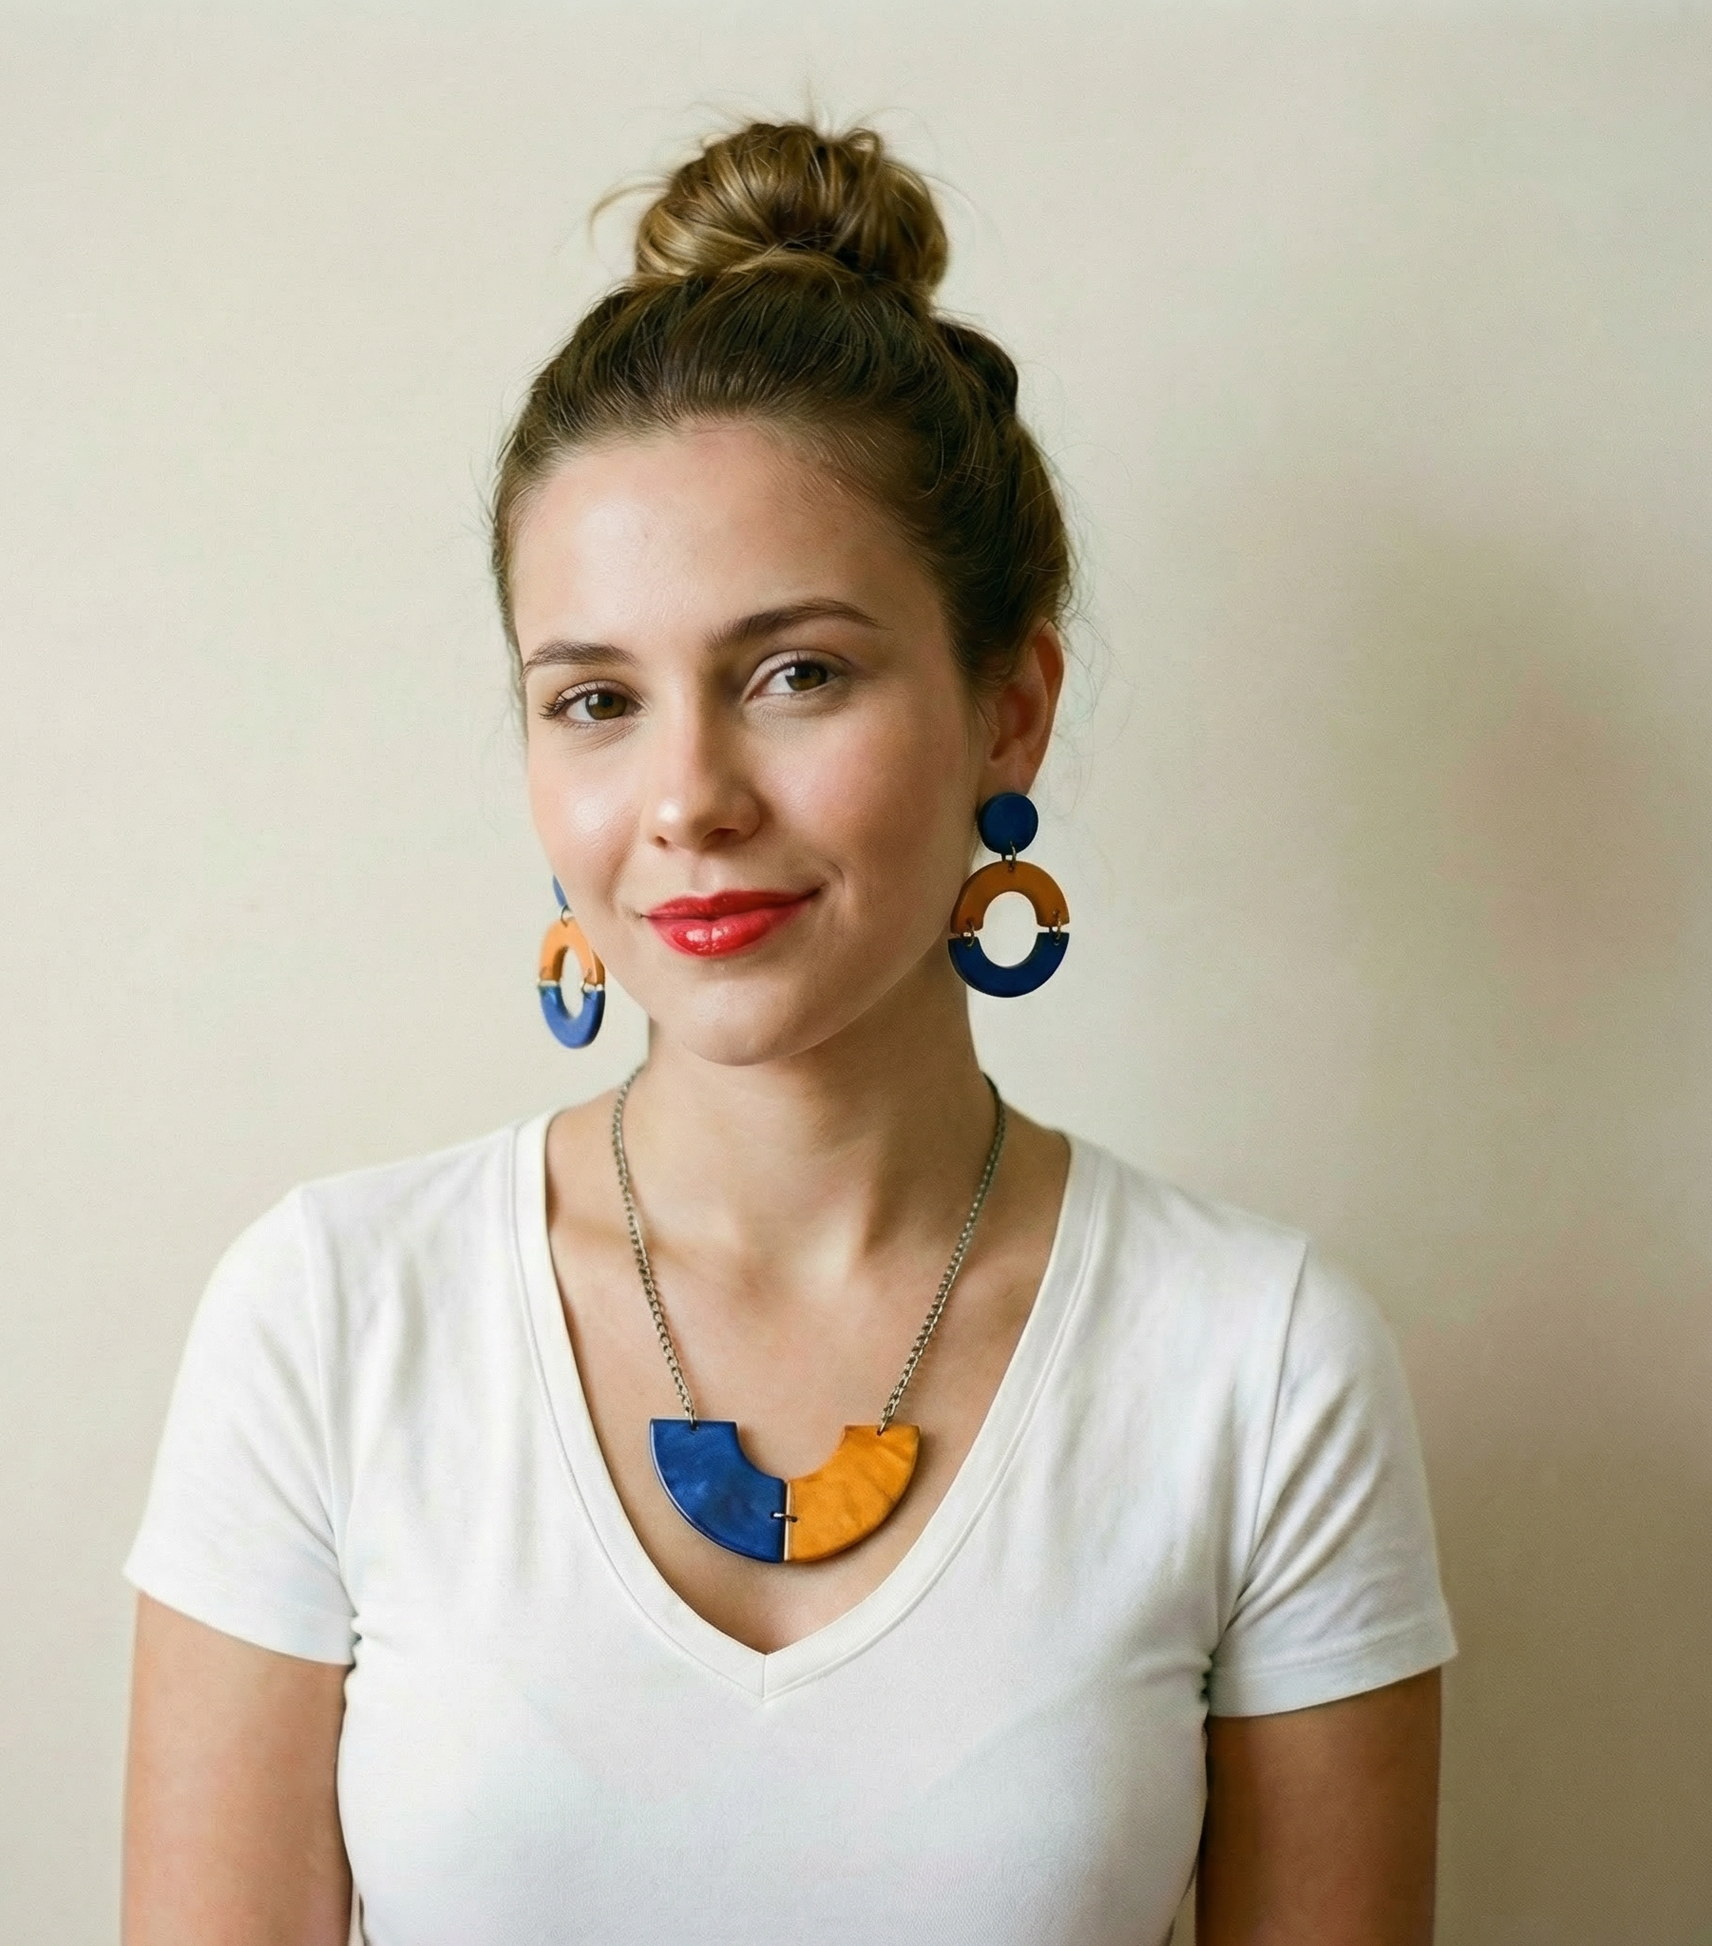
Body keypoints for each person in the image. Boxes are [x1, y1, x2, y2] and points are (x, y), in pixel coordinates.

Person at [122, 121, 1456, 1946]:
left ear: (1011, 708)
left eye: (794, 673)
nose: (684, 797)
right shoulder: (333, 1314)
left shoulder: (1259, 1361)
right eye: (594, 697)